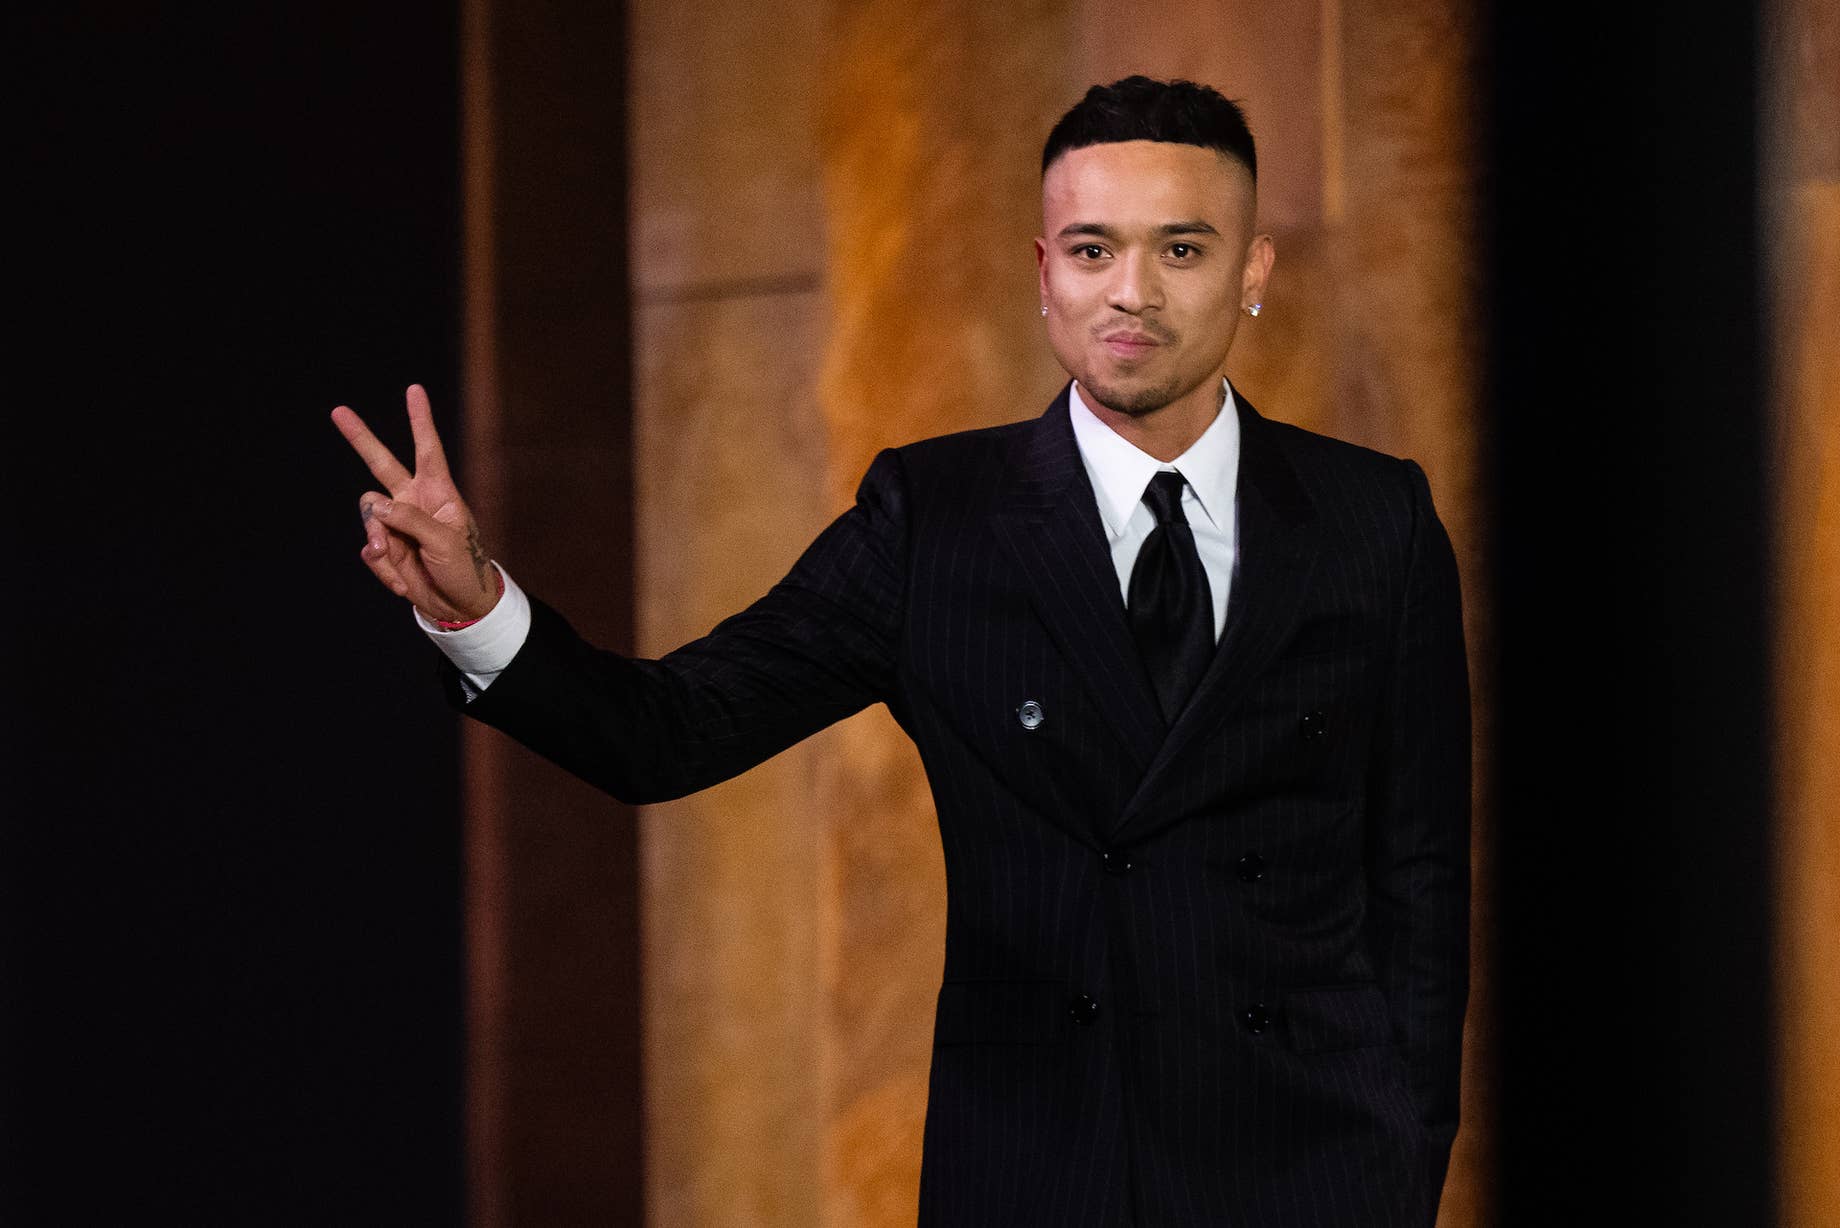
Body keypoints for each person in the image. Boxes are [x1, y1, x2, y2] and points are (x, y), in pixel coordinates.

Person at [333, 76, 1470, 1228]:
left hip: (1309, 1172)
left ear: (1253, 271)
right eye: (1092, 250)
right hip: (1041, 1173)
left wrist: (1400, 1169)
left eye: (1181, 248)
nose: (1131, 291)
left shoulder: (1373, 521)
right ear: (1042, 275)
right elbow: (668, 730)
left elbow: (1421, 882)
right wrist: (479, 606)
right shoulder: (937, 520)